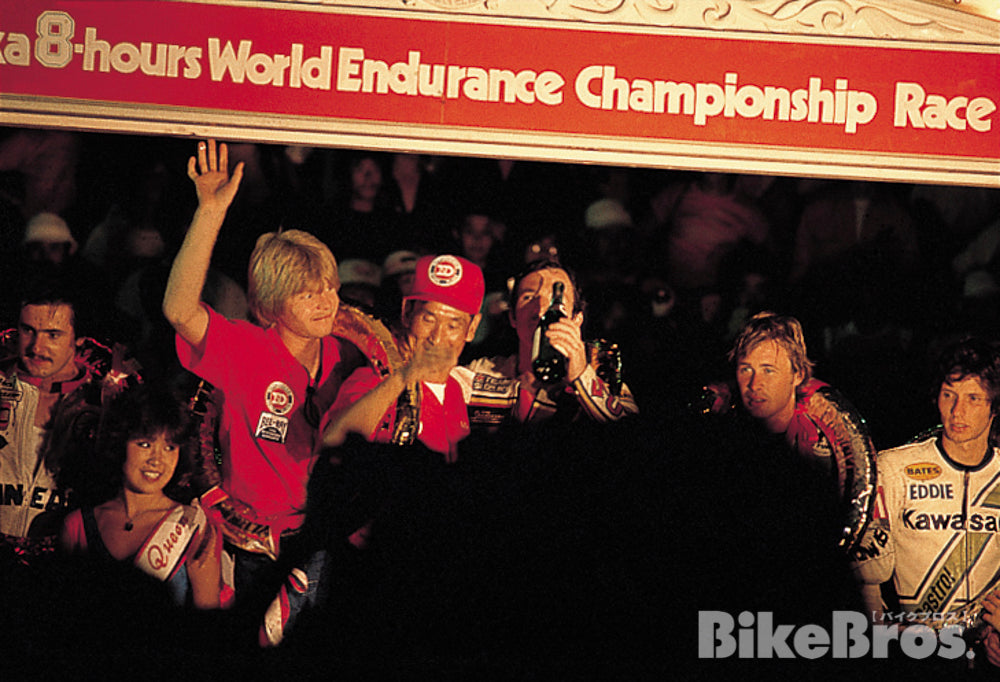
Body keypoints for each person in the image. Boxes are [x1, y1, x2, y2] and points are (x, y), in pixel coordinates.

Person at [162, 139, 364, 608]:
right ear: (271, 302)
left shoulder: (348, 356)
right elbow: (178, 308)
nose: (325, 301)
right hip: (253, 547)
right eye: (306, 293)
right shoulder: (246, 347)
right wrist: (210, 212)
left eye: (329, 288)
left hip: (329, 542)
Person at [853, 337, 1000, 665]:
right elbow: (865, 574)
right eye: (949, 395)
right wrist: (884, 639)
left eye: (973, 398)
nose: (957, 411)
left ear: (994, 406)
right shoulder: (892, 468)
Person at [0, 283, 141, 562]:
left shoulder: (108, 403)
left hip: (66, 565)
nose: (36, 347)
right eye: (28, 330)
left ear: (78, 339)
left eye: (53, 335)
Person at [59, 384, 223, 609]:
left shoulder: (193, 526)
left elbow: (208, 629)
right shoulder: (77, 525)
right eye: (145, 444)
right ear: (120, 444)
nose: (157, 460)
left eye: (170, 447)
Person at [725, 311, 876, 551]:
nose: (754, 385)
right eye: (746, 369)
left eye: (768, 370)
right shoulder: (722, 436)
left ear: (797, 375)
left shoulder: (826, 438)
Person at [322, 253, 484, 462]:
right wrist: (404, 378)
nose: (436, 338)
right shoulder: (375, 381)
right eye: (428, 319)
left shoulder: (458, 391)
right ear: (407, 312)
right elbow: (332, 442)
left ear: (472, 329)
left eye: (453, 325)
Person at [463, 259, 638, 427]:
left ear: (576, 319)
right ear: (512, 317)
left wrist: (581, 377)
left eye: (557, 300)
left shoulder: (603, 376)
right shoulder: (482, 373)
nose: (541, 310)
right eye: (528, 297)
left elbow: (632, 432)